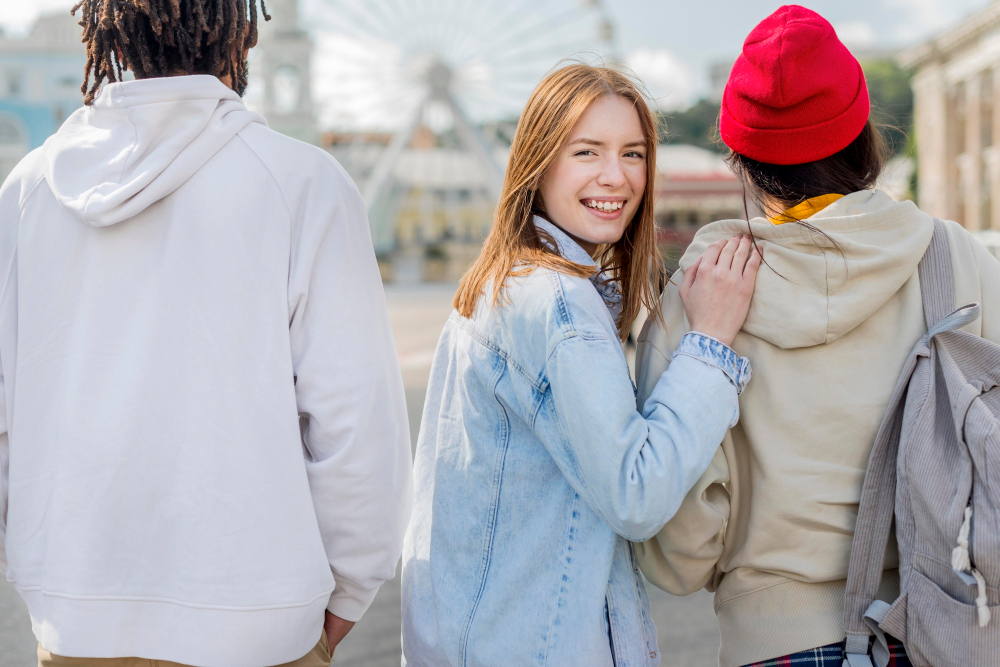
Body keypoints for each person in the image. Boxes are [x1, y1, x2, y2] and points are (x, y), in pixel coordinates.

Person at [0, 2, 412, 666]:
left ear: (107, 29)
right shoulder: (304, 184)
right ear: (237, 29)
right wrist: (349, 594)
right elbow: (355, 424)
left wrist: (51, 582)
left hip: (76, 620)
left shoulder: (25, 193)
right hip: (260, 625)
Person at [634, 6, 1000, 667]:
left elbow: (679, 550)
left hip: (776, 643)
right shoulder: (959, 260)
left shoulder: (703, 289)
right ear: (863, 132)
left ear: (742, 158)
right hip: (944, 632)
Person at [400, 63, 761, 667]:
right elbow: (636, 493)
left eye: (634, 153)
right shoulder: (558, 301)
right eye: (586, 151)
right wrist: (712, 344)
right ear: (538, 163)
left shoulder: (499, 283)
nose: (615, 176)